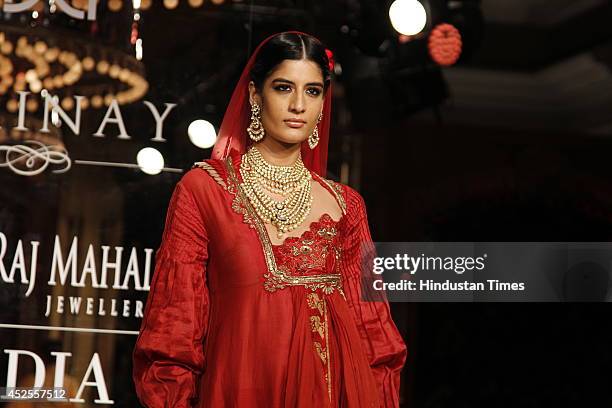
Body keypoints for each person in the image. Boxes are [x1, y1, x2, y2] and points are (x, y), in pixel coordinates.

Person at [132, 31, 407, 408]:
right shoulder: (204, 191)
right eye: (283, 87)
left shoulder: (346, 207)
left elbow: (376, 341)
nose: (298, 105)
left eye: (312, 91)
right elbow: (174, 329)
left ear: (324, 103)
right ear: (254, 95)